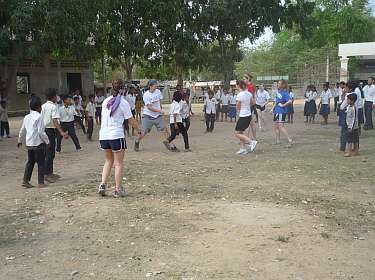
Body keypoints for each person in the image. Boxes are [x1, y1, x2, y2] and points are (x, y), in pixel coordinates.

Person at [98, 76, 142, 198]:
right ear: (124, 89)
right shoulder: (123, 103)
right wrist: (139, 130)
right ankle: (117, 189)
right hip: (116, 135)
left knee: (108, 161)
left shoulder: (106, 101)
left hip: (104, 135)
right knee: (118, 163)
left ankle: (103, 184)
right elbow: (131, 119)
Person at [17, 96, 49, 188]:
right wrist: (47, 141)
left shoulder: (26, 117)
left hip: (29, 144)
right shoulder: (39, 117)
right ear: (39, 107)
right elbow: (41, 132)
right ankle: (40, 182)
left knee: (30, 162)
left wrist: (19, 140)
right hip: (38, 143)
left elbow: (22, 130)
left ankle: (25, 180)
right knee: (41, 163)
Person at [134, 79, 170, 152]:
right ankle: (137, 141)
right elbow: (149, 107)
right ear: (150, 86)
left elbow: (159, 102)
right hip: (148, 116)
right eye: (155, 85)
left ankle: (170, 144)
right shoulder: (146, 95)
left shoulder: (158, 92)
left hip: (158, 116)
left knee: (165, 129)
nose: (156, 86)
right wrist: (159, 111)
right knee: (143, 132)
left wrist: (160, 110)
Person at [42, 88, 68, 183]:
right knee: (50, 153)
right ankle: (46, 174)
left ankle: (50, 172)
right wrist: (62, 132)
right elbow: (55, 121)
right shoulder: (53, 107)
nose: (57, 97)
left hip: (44, 130)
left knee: (49, 152)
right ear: (53, 97)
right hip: (50, 131)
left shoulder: (43, 106)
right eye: (56, 95)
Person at [234, 80, 256, 155]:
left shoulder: (239, 95)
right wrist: (246, 106)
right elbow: (253, 102)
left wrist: (239, 110)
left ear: (238, 86)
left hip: (243, 116)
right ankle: (243, 148)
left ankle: (251, 142)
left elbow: (237, 106)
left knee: (237, 133)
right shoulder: (249, 94)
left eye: (236, 85)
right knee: (241, 132)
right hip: (248, 115)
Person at [273, 80, 293, 146]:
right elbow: (276, 101)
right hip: (276, 111)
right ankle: (278, 140)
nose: (277, 85)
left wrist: (283, 105)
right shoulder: (278, 92)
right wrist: (273, 108)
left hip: (281, 111)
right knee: (276, 126)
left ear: (282, 85)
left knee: (281, 126)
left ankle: (289, 139)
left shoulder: (285, 93)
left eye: (279, 83)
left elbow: (290, 101)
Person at [345, 93, 359, 157]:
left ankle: (350, 152)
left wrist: (351, 127)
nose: (347, 101)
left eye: (348, 100)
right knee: (351, 139)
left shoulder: (354, 108)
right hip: (349, 125)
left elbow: (354, 119)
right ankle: (353, 151)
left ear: (352, 101)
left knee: (352, 140)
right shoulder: (348, 107)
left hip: (353, 127)